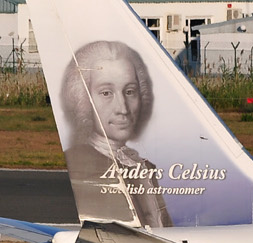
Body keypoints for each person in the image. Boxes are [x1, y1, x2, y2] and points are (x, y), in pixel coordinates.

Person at [60, 40, 171, 227]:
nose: (123, 108)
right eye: (106, 93)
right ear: (83, 100)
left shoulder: (145, 167)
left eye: (130, 91)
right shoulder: (84, 164)